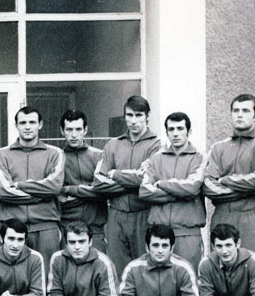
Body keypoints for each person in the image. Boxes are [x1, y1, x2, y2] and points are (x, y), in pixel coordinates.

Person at [93, 95, 162, 276]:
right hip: (117, 214)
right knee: (117, 268)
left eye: (139, 115)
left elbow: (147, 178)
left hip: (144, 213)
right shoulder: (113, 145)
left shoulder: (156, 144)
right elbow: (98, 181)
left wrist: (115, 174)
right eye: (129, 115)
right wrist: (132, 183)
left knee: (145, 267)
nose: (133, 121)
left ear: (147, 116)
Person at [0, 106, 64, 272]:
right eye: (22, 123)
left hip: (45, 227)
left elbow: (54, 187)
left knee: (47, 276)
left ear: (40, 125)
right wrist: (39, 195)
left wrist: (20, 185)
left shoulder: (55, 153)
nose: (27, 127)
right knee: (9, 276)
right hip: (11, 227)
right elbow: (2, 191)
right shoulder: (1, 155)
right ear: (16, 126)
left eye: (32, 122)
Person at [139, 112, 206, 271]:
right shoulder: (156, 158)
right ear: (167, 132)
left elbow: (192, 188)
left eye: (180, 128)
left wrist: (161, 184)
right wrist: (179, 194)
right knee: (158, 279)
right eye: (171, 129)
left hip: (187, 233)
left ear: (189, 132)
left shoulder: (199, 157)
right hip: (159, 233)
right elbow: (144, 191)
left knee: (189, 277)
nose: (175, 133)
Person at [204, 94, 255, 253]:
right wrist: (247, 191)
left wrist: (226, 180)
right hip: (221, 216)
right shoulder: (218, 147)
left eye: (245, 111)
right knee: (219, 264)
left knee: (250, 263)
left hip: (249, 217)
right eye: (236, 110)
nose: (239, 115)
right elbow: (207, 185)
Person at [57, 110, 107, 252]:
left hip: (95, 230)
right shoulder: (57, 158)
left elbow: (103, 192)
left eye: (78, 129)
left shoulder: (99, 156)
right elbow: (56, 193)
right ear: (62, 131)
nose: (74, 135)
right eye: (69, 130)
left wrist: (70, 191)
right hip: (67, 230)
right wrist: (89, 192)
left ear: (85, 130)